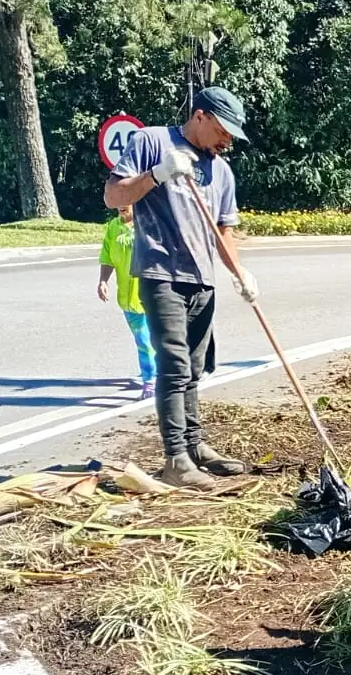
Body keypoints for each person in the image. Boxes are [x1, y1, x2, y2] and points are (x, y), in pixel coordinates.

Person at [105, 87, 256, 491]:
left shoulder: (222, 171)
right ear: (201, 116)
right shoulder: (152, 142)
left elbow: (223, 230)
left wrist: (240, 273)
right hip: (161, 272)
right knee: (172, 366)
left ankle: (194, 444)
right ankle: (176, 459)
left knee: (193, 368)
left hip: (202, 278)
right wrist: (157, 174)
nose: (227, 141)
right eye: (223, 131)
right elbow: (113, 195)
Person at [97, 202, 156, 398]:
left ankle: (151, 381)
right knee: (142, 340)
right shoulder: (113, 227)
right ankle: (153, 370)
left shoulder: (148, 224)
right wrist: (103, 281)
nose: (122, 205)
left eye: (127, 200)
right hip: (127, 299)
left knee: (147, 341)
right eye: (118, 201)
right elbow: (107, 257)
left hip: (153, 296)